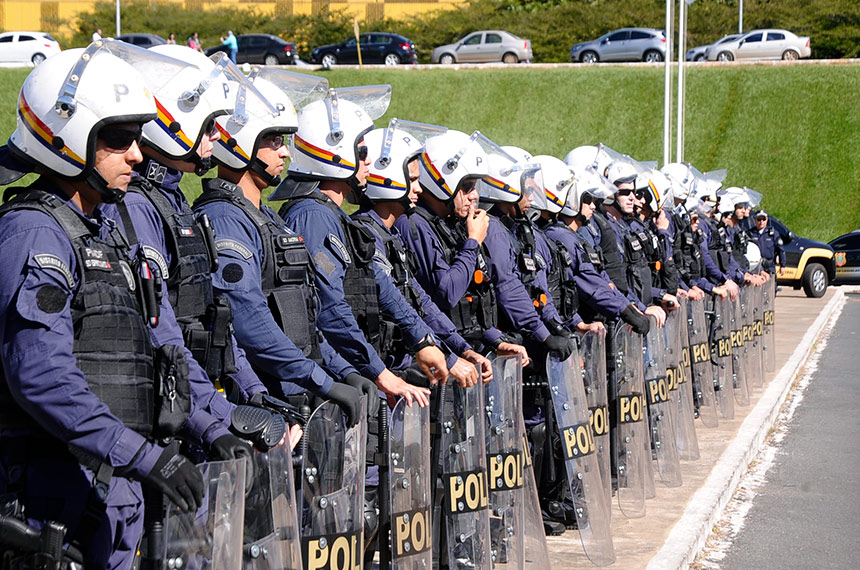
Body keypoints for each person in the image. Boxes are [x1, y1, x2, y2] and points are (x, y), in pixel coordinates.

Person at [0, 46, 209, 570]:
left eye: (137, 138)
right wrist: (141, 456)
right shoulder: (33, 232)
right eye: (117, 139)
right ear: (67, 136)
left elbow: (160, 347)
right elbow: (41, 375)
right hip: (54, 502)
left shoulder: (104, 234)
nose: (137, 155)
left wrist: (214, 427)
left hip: (109, 486)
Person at [193, 68, 378, 427]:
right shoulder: (226, 218)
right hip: (263, 400)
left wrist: (343, 370)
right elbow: (249, 321)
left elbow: (303, 318)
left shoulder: (265, 217)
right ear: (241, 142)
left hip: (295, 391)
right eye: (274, 140)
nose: (285, 153)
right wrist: (323, 381)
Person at [748, 209, 785, 275]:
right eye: (759, 219)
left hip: (769, 267)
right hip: (755, 267)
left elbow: (781, 250)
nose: (761, 222)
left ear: (767, 220)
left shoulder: (773, 233)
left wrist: (782, 266)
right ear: (755, 220)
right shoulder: (750, 233)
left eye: (763, 219)